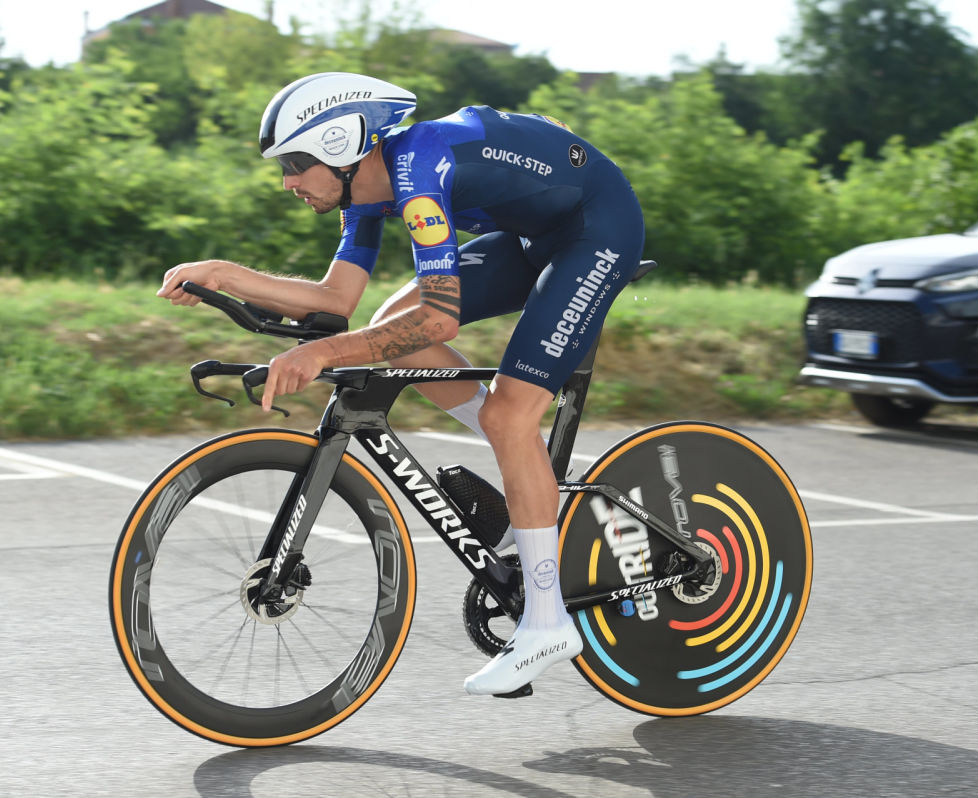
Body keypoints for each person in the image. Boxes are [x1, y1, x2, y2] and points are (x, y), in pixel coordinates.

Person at [157, 72, 645, 697]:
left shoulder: (418, 170)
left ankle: (547, 624)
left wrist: (326, 351)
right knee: (395, 330)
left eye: (296, 165)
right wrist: (224, 276)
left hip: (596, 229)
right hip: (532, 235)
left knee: (505, 414)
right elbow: (336, 299)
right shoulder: (364, 189)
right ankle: (527, 466)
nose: (288, 182)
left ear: (340, 146)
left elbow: (438, 320)